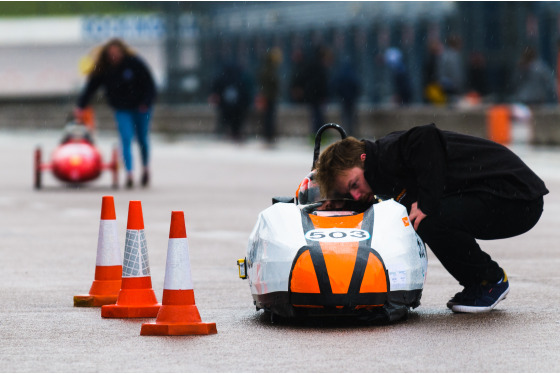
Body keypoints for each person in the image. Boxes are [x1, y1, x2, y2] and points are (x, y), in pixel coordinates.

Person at [315, 123, 548, 313]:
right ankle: (481, 281)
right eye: (349, 193)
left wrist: (427, 201)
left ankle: (489, 281)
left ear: (363, 158)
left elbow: (426, 136)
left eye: (354, 185)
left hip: (517, 197)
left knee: (426, 218)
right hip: (510, 196)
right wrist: (337, 203)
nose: (356, 194)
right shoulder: (378, 171)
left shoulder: (388, 152)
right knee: (419, 217)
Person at [74, 38, 156, 188]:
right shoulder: (104, 68)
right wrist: (81, 105)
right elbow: (91, 87)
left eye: (116, 53)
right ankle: (129, 173)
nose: (114, 56)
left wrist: (146, 102)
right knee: (125, 138)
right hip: (122, 108)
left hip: (141, 107)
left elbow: (149, 84)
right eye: (111, 54)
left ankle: (145, 168)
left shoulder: (134, 62)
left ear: (122, 52)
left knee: (142, 138)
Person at [210, 62, 253, 142]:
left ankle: (229, 133)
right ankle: (235, 133)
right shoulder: (240, 76)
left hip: (227, 104)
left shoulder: (223, 77)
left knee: (227, 118)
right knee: (237, 120)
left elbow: (216, 86)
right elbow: (247, 90)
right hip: (238, 105)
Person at [257, 47, 283, 146]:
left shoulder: (266, 68)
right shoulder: (270, 69)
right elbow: (272, 83)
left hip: (268, 96)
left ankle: (268, 135)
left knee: (268, 116)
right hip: (269, 96)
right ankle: (269, 135)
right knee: (269, 117)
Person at [333, 57, 361, 136]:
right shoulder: (352, 73)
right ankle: (353, 132)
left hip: (343, 99)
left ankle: (345, 132)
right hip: (351, 98)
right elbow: (357, 85)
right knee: (352, 116)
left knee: (345, 116)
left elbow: (336, 85)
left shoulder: (340, 73)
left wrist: (340, 95)